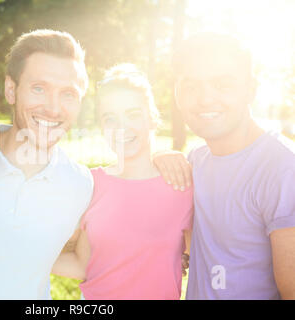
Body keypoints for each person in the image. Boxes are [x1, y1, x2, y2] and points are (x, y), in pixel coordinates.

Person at [0, 29, 94, 299]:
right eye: (39, 88)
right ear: (11, 90)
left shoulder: (81, 184)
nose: (53, 108)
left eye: (68, 94)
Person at [156, 32, 295, 299]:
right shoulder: (194, 162)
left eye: (222, 84)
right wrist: (158, 158)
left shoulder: (283, 168)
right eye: (192, 86)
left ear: (250, 90)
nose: (205, 99)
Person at [51, 64, 193, 300]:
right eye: (110, 118)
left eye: (133, 114)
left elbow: (202, 260)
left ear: (152, 118)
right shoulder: (89, 184)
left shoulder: (181, 185)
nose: (122, 127)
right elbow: (83, 264)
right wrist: (19, 255)